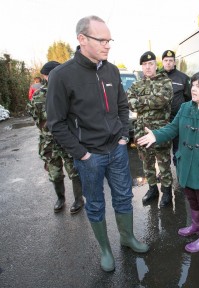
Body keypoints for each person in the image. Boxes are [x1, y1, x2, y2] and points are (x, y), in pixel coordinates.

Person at [45, 15, 149, 272]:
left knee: (124, 196)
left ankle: (127, 237)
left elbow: (123, 107)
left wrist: (124, 136)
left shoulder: (111, 70)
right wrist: (81, 154)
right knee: (95, 203)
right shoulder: (61, 75)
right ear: (82, 39)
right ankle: (105, 250)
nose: (107, 45)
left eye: (109, 40)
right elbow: (56, 122)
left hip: (117, 149)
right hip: (89, 156)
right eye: (101, 40)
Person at [137, 70, 199, 253]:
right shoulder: (186, 107)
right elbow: (173, 129)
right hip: (186, 167)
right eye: (193, 85)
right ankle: (195, 227)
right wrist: (156, 135)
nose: (193, 88)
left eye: (198, 86)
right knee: (191, 199)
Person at [27, 61, 84, 215]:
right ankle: (60, 198)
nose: (48, 78)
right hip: (49, 143)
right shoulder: (38, 96)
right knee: (55, 173)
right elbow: (35, 118)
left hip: (67, 139)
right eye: (46, 75)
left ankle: (79, 199)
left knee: (74, 171)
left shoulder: (68, 92)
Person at [127, 51, 174, 208]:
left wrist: (140, 100)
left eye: (151, 64)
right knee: (147, 164)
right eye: (145, 64)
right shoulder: (136, 84)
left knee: (164, 163)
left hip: (160, 131)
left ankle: (167, 193)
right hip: (142, 131)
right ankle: (152, 189)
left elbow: (161, 101)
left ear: (156, 65)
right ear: (142, 66)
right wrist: (148, 101)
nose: (148, 67)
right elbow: (129, 102)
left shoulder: (165, 82)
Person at [161, 50, 191, 166]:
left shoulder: (183, 78)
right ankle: (164, 177)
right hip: (161, 121)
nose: (168, 63)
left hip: (178, 120)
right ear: (162, 62)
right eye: (166, 60)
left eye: (171, 60)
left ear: (174, 62)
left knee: (178, 150)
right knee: (161, 151)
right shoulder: (156, 77)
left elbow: (189, 99)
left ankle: (180, 175)